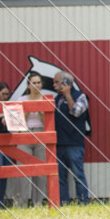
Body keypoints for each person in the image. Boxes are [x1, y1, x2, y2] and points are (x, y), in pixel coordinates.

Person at [53, 70, 91, 205]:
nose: (54, 85)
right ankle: (64, 202)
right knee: (60, 177)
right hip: (59, 143)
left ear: (67, 83)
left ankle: (83, 202)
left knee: (78, 175)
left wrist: (68, 94)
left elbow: (76, 112)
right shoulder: (57, 99)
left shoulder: (80, 96)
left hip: (74, 143)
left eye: (57, 82)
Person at [19, 72, 50, 207]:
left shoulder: (46, 99)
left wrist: (41, 112)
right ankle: (21, 204)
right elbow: (18, 121)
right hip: (24, 133)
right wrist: (28, 110)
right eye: (34, 83)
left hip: (40, 132)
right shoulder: (21, 99)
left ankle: (37, 203)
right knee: (23, 170)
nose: (37, 85)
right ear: (28, 85)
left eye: (39, 82)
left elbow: (48, 123)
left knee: (40, 172)